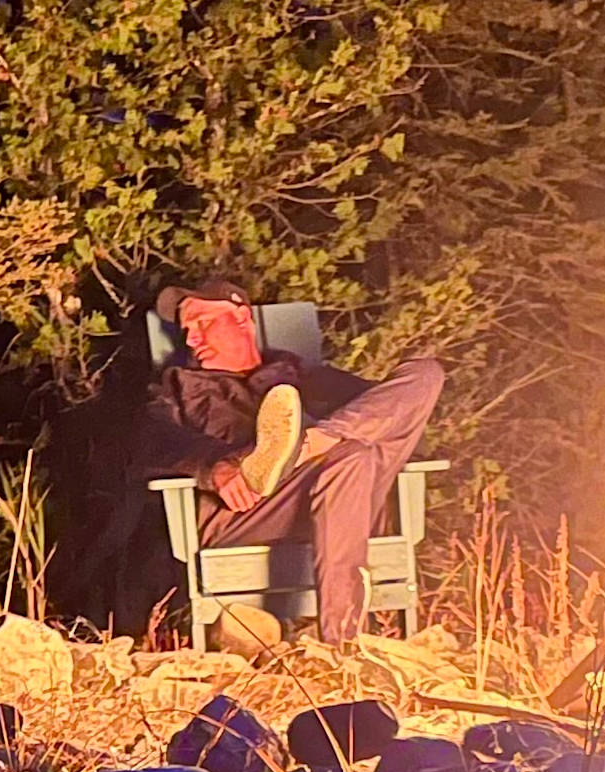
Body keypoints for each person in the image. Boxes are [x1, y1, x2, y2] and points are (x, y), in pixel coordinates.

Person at [130, 274, 442, 646]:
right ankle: (344, 645)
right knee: (352, 453)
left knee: (424, 376)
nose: (192, 339)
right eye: (186, 331)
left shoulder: (310, 379)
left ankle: (308, 444)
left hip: (345, 499)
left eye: (203, 322)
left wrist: (322, 439)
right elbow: (151, 440)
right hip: (251, 509)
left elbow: (389, 410)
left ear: (243, 318)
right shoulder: (179, 387)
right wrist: (214, 465)